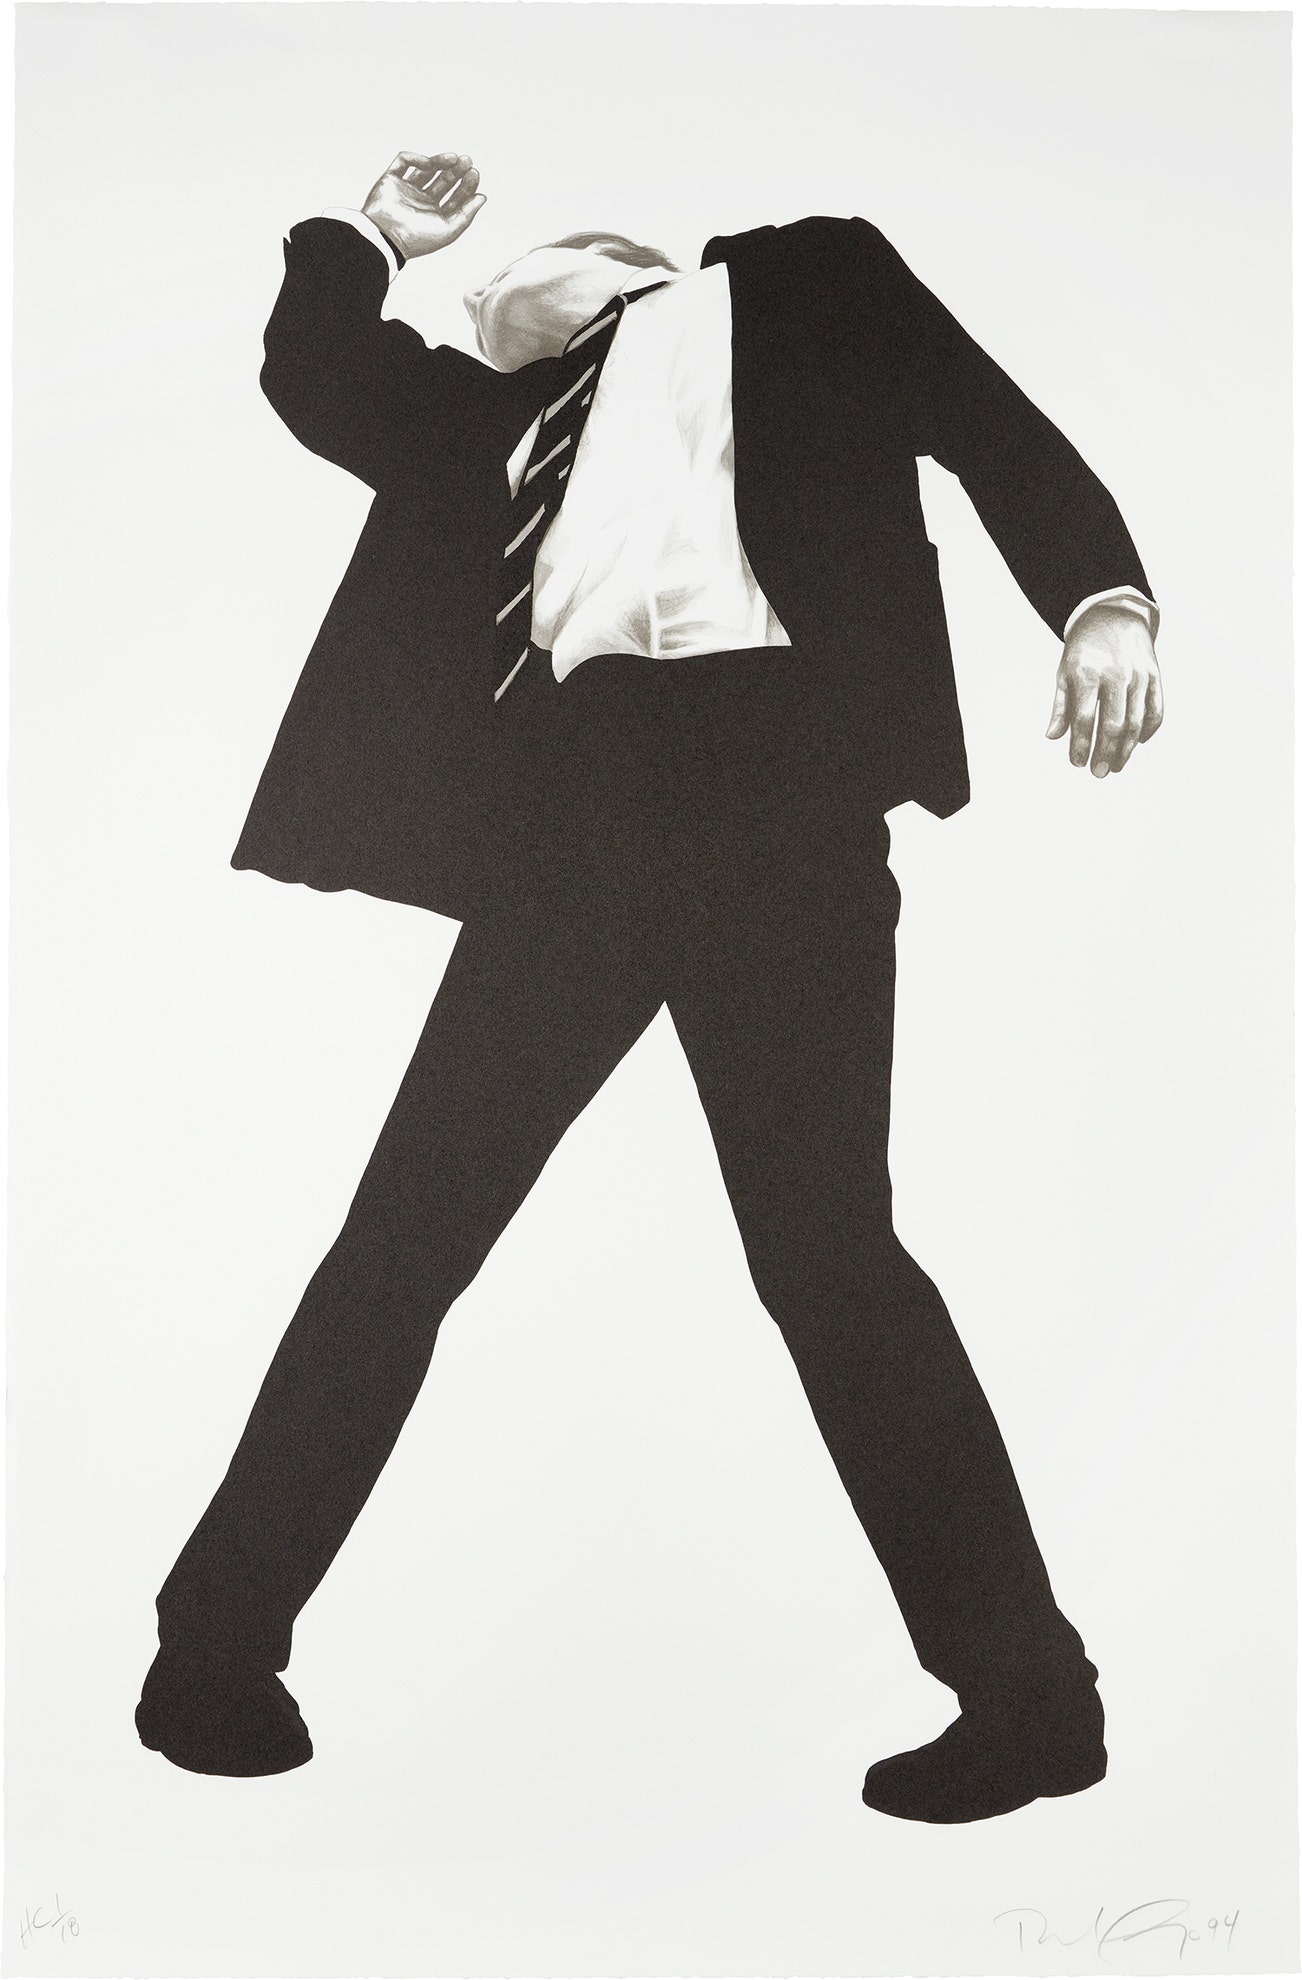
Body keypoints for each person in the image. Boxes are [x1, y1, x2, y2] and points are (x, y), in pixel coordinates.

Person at [136, 150, 1163, 1823]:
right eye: (471, 307)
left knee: (830, 1258)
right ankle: (213, 1652)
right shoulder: (486, 425)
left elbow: (990, 423)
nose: (483, 309)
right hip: (575, 828)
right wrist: (375, 240)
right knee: (403, 1241)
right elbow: (315, 373)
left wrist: (1098, 601)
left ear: (611, 258)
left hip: (783, 801)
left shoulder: (804, 286)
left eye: (502, 284)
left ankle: (1029, 1698)